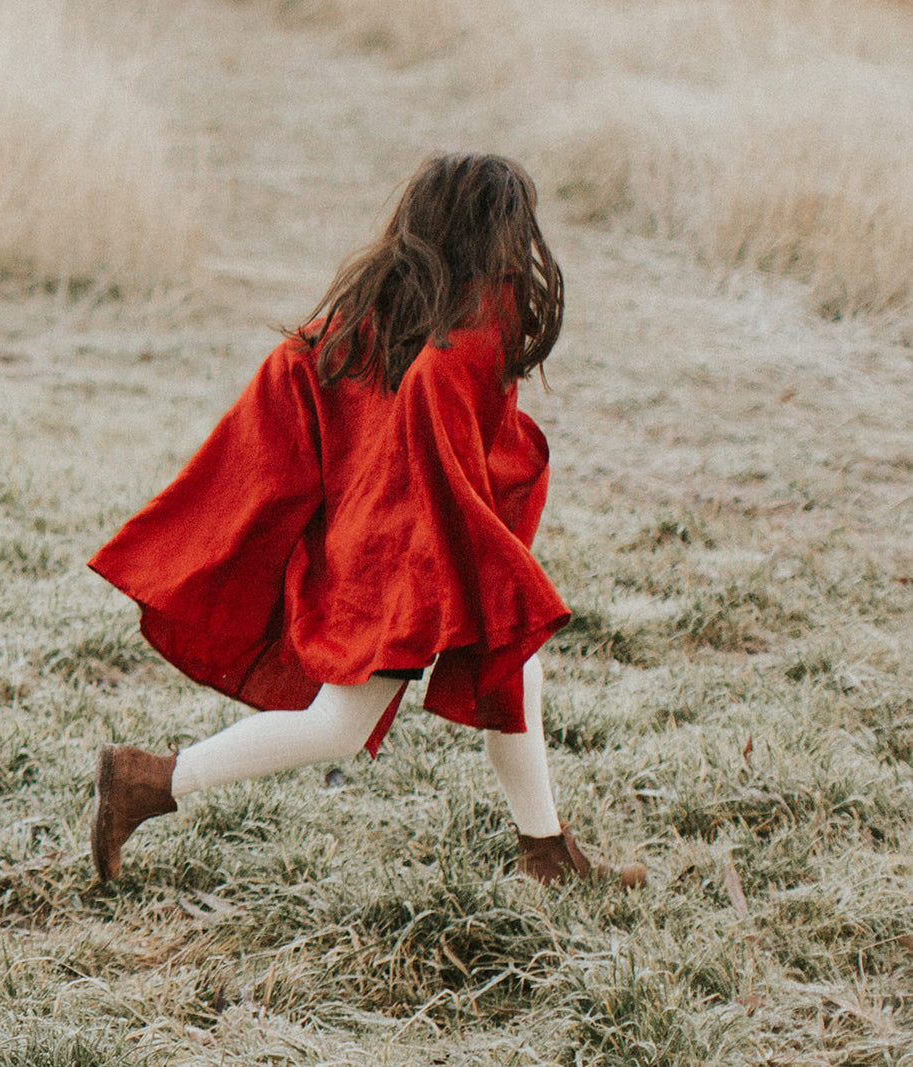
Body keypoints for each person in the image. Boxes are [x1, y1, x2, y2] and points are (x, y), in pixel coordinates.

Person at [88, 153, 645, 890]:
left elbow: (309, 385)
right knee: (336, 726)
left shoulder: (377, 320)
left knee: (518, 671)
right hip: (405, 566)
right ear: (493, 238)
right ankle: (148, 782)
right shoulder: (459, 342)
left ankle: (545, 850)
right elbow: (450, 468)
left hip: (380, 553)